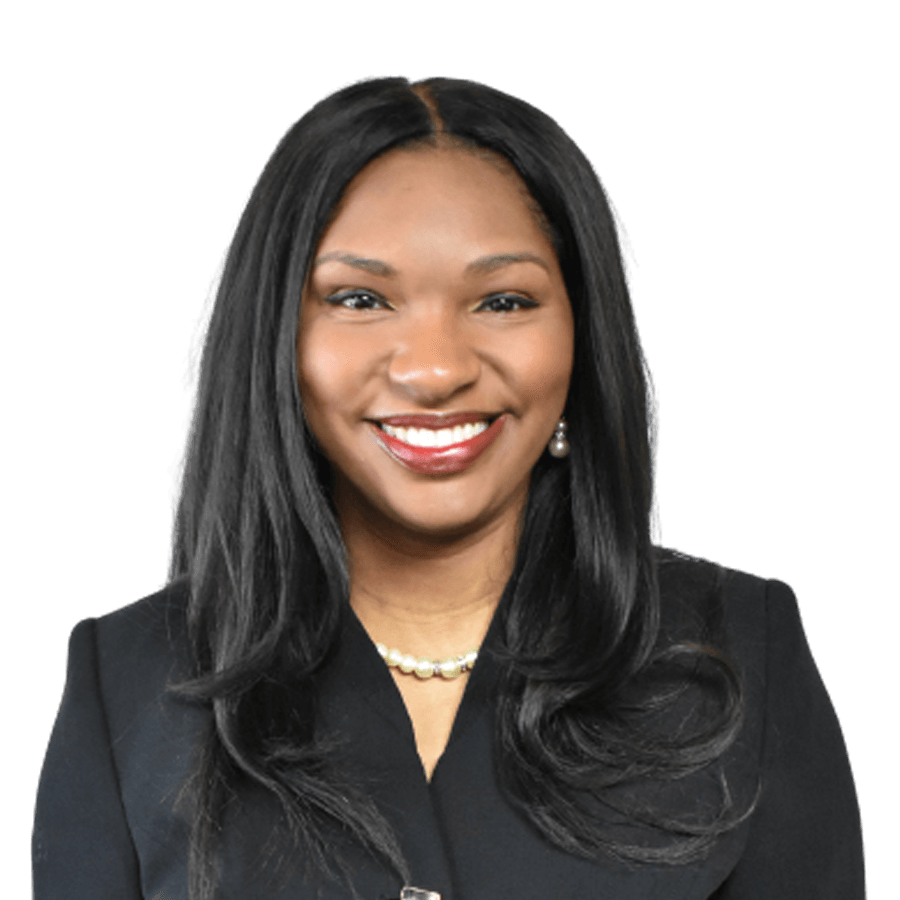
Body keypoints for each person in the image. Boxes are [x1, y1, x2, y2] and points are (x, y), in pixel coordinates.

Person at [31, 75, 866, 900]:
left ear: (580, 339)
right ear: (277, 340)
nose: (434, 370)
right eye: (360, 298)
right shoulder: (131, 685)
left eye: (502, 300)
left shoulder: (739, 652)